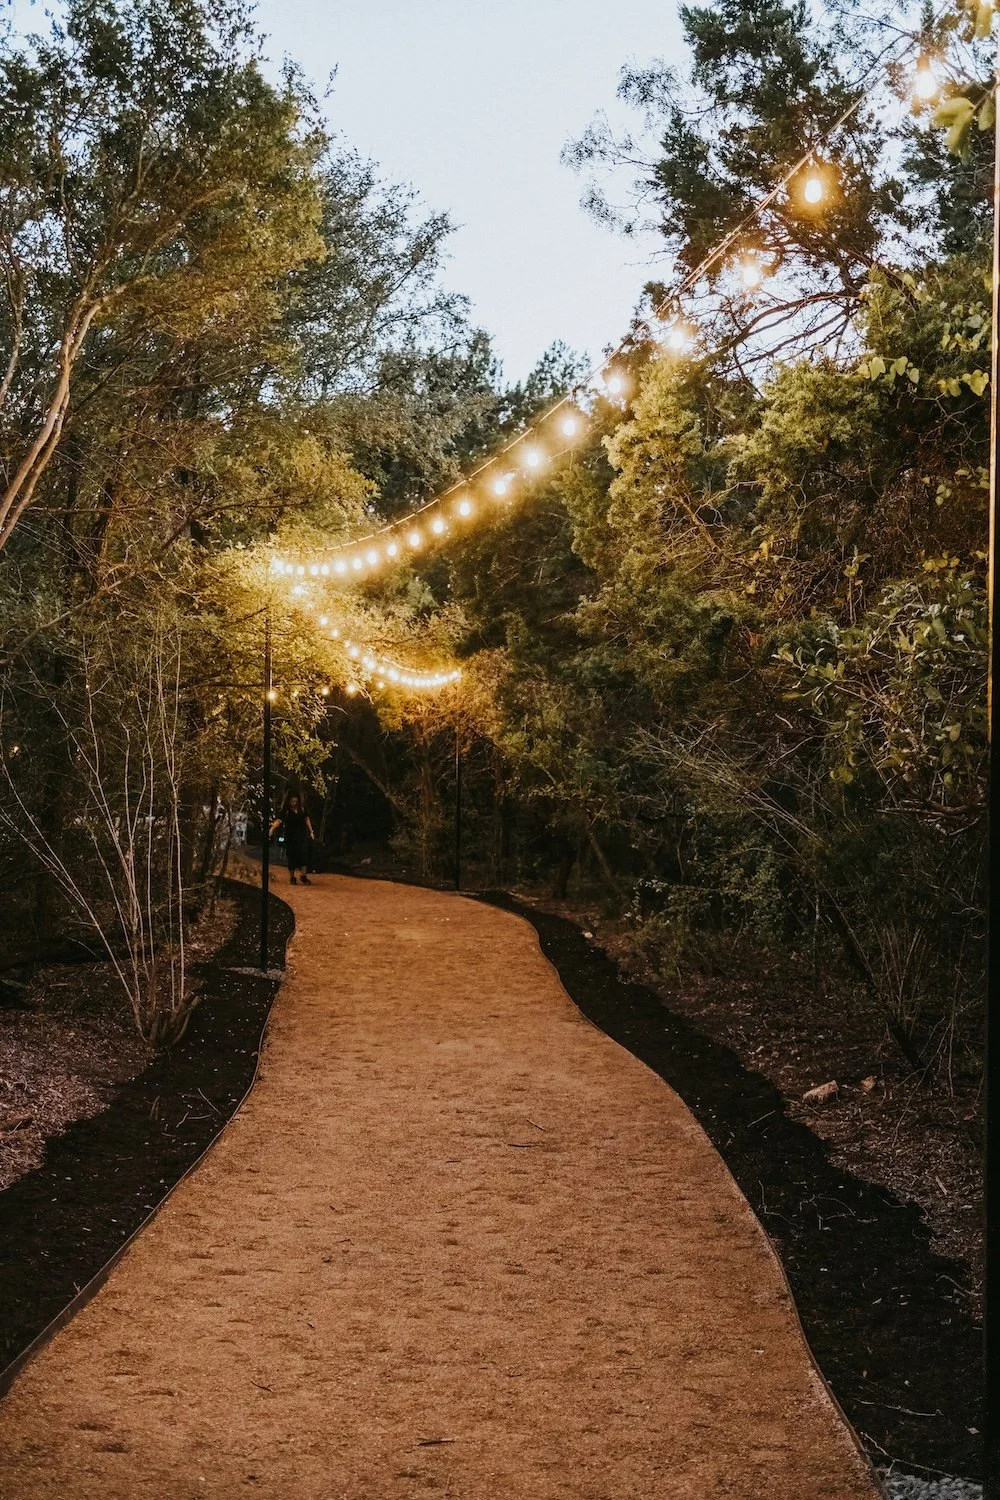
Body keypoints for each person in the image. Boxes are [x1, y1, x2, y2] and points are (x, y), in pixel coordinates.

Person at [269, 793, 315, 885]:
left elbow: (306, 819)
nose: (294, 803)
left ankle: (303, 876)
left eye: (296, 801)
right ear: (289, 802)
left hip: (301, 835)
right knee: (291, 856)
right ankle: (292, 877)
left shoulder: (302, 808)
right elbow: (279, 820)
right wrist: (272, 829)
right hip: (290, 836)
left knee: (304, 853)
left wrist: (311, 831)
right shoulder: (286, 811)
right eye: (292, 801)